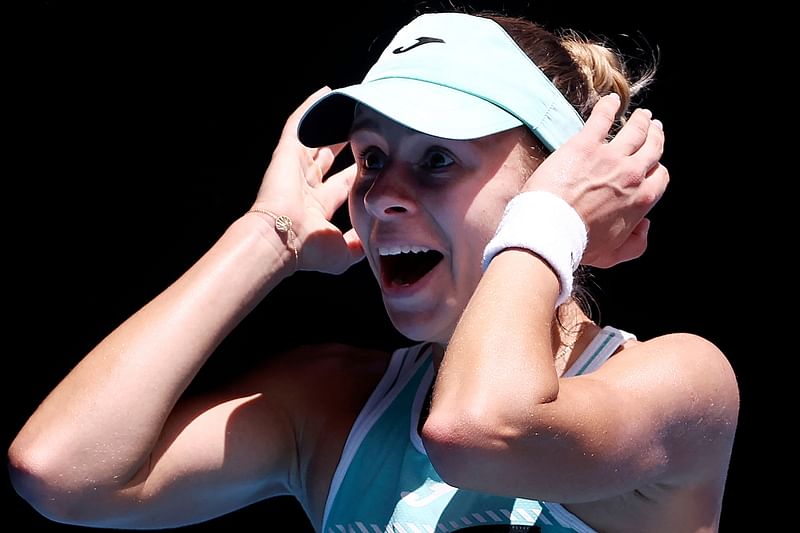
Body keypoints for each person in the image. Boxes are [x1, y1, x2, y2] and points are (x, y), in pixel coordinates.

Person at [8, 10, 739, 533]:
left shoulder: (681, 381)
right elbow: (62, 472)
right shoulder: (333, 401)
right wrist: (267, 236)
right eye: (372, 159)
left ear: (563, 179)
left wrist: (551, 222)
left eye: (438, 158)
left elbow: (478, 428)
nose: (382, 194)